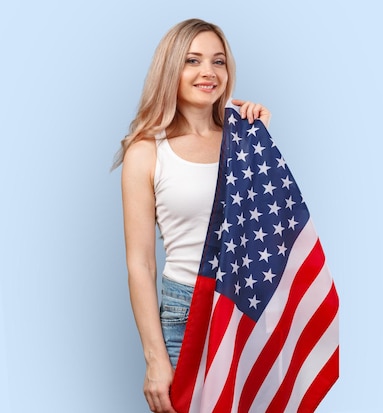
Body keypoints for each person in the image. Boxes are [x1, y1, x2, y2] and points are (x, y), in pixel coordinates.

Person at [113, 18, 271, 413]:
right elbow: (141, 264)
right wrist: (154, 359)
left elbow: (265, 232)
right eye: (193, 60)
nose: (208, 72)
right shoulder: (146, 151)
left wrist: (261, 140)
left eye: (218, 61)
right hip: (186, 310)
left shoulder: (244, 139)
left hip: (246, 302)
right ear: (171, 69)